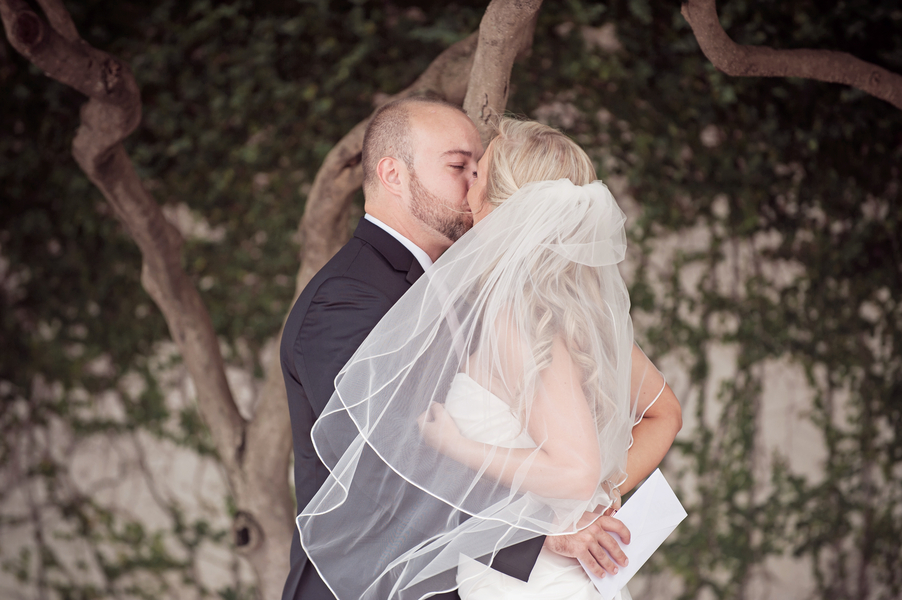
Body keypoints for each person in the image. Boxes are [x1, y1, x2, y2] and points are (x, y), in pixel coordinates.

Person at [295, 116, 682, 599]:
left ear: (505, 202)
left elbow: (576, 467)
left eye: (476, 172)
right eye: (461, 166)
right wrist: (576, 510)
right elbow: (663, 413)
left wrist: (465, 449)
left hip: (528, 577)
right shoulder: (573, 308)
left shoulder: (520, 314)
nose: (467, 183)